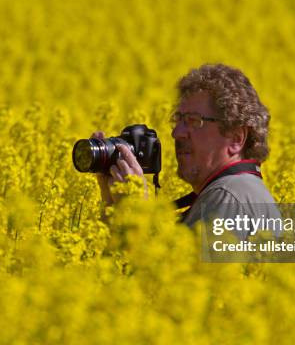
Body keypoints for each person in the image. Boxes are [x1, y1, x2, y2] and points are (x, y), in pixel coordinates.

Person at [93, 63, 279, 240]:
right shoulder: (232, 192)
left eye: (193, 121)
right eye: (178, 120)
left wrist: (139, 213)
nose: (176, 133)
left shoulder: (228, 197)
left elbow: (175, 272)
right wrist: (113, 206)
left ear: (236, 139)